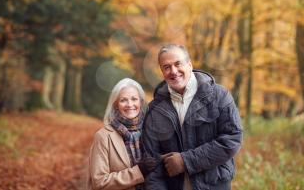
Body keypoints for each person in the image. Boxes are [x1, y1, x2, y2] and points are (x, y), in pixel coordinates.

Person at [142, 44, 243, 190]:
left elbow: (232, 139)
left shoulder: (219, 96)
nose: (173, 71)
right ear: (162, 71)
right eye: (166, 67)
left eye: (178, 64)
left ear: (189, 64)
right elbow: (151, 160)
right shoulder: (155, 108)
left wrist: (185, 161)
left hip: (214, 186)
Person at [87, 78, 158, 190]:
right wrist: (138, 171)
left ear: (141, 102)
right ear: (115, 104)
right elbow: (99, 182)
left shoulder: (153, 130)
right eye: (123, 100)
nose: (130, 104)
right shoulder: (103, 136)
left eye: (134, 99)